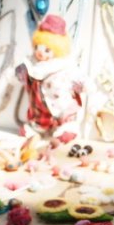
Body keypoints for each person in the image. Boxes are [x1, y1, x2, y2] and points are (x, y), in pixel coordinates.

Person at [15, 14, 85, 154]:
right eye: (37, 47)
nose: (40, 53)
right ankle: (35, 131)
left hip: (61, 111)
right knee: (32, 128)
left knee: (66, 127)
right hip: (39, 113)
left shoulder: (65, 67)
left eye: (47, 50)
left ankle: (66, 131)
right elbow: (17, 77)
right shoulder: (31, 66)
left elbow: (81, 82)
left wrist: (84, 86)